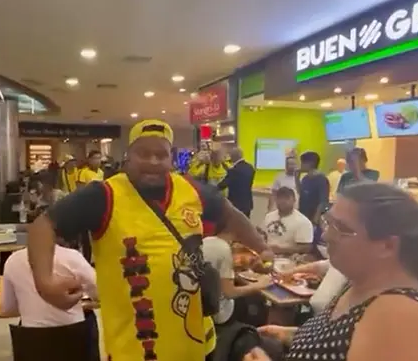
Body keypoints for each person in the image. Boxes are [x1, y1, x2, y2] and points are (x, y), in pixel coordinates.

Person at [26, 119, 267, 361]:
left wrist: (263, 249)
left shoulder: (192, 190)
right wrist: (45, 283)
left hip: (196, 343)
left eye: (161, 155)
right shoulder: (104, 195)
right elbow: (43, 226)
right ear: (128, 156)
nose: (153, 162)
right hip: (135, 348)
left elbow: (231, 214)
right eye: (144, 153)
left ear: (170, 159)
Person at [255, 182, 418, 361]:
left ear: (387, 246)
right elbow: (343, 341)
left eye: (341, 228)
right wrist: (292, 335)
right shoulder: (359, 283)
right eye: (328, 222)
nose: (326, 235)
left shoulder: (403, 320)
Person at [0, 237, 98, 326]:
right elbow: (101, 293)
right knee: (89, 316)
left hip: (31, 340)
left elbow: (7, 309)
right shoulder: (73, 257)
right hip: (74, 337)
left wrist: (31, 304)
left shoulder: (12, 261)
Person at [203, 230, 272, 326]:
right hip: (218, 313)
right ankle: (255, 333)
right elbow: (229, 293)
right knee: (257, 299)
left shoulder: (208, 240)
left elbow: (223, 275)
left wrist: (247, 283)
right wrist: (258, 286)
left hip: (203, 303)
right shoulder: (224, 249)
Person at [262, 187, 313, 256]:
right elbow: (263, 235)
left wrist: (282, 250)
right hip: (266, 254)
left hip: (289, 259)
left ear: (294, 200)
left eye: (287, 198)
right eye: (280, 198)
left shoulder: (303, 222)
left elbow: (306, 247)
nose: (282, 201)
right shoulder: (269, 216)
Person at [217, 148, 255, 218]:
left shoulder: (234, 171)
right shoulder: (250, 168)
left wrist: (210, 189)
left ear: (233, 157)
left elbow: (222, 185)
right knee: (245, 225)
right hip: (247, 204)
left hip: (235, 205)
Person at [296, 151, 329, 225]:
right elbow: (301, 193)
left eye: (302, 163)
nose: (300, 165)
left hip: (314, 218)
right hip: (304, 215)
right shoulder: (305, 178)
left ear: (310, 163)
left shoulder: (321, 179)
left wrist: (316, 218)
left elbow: (323, 201)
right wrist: (296, 178)